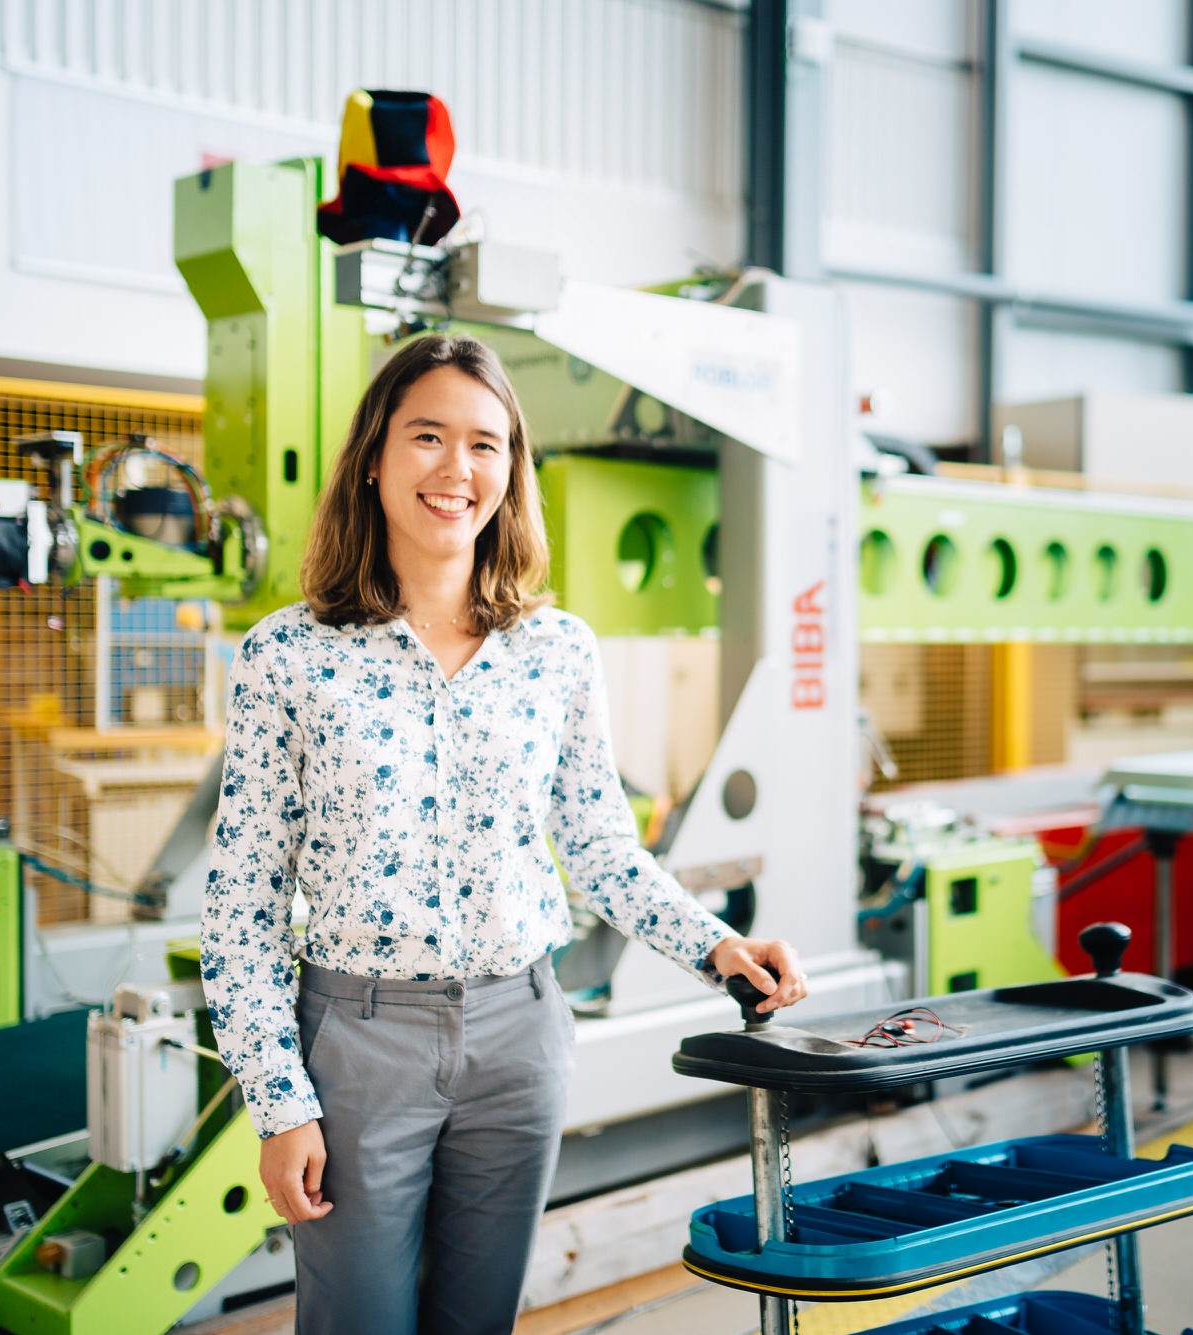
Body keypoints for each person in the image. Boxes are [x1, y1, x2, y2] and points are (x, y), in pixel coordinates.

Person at [200, 333, 806, 1335]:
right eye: (427, 437)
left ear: (511, 469)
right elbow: (242, 904)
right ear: (373, 457)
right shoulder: (288, 656)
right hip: (358, 1043)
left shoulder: (556, 652)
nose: (456, 469)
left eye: (485, 445)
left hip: (519, 1039)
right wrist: (280, 1102)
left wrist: (717, 945)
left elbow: (601, 845)